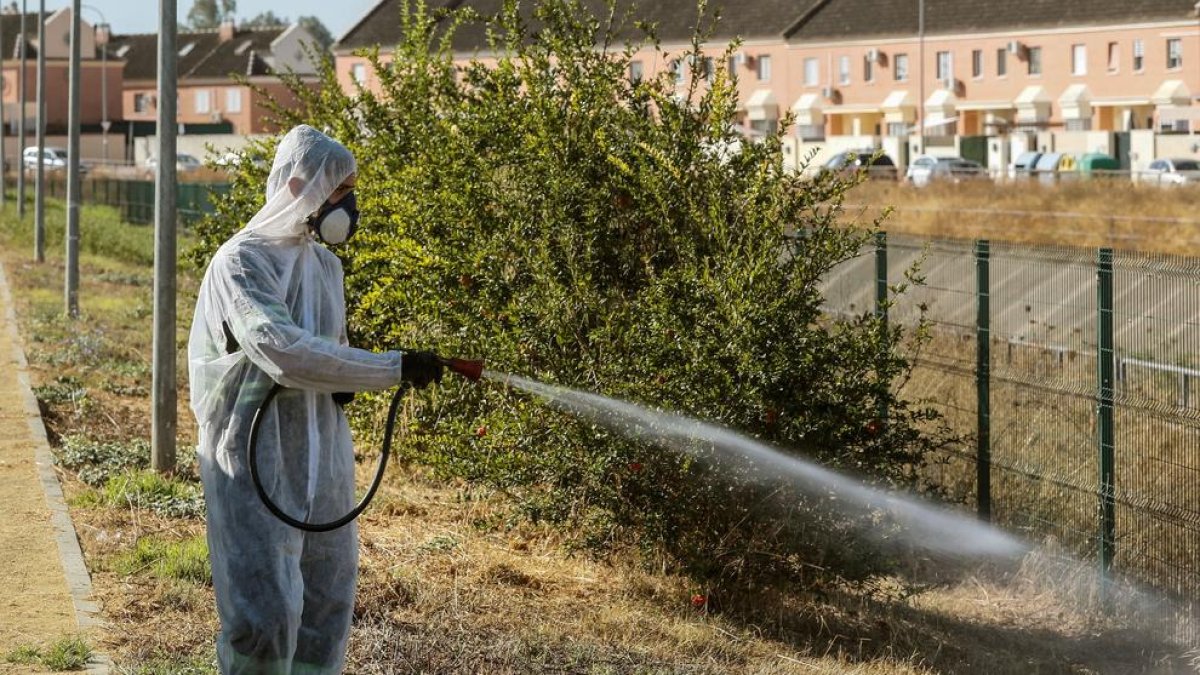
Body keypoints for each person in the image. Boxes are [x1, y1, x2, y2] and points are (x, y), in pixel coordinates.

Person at [188, 124, 442, 674]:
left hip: (322, 457)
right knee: (266, 616)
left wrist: (352, 373)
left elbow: (329, 353)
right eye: (339, 190)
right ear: (299, 184)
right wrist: (390, 367)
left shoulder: (326, 267)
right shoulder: (241, 262)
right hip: (255, 459)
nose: (347, 205)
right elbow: (281, 349)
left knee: (326, 606)